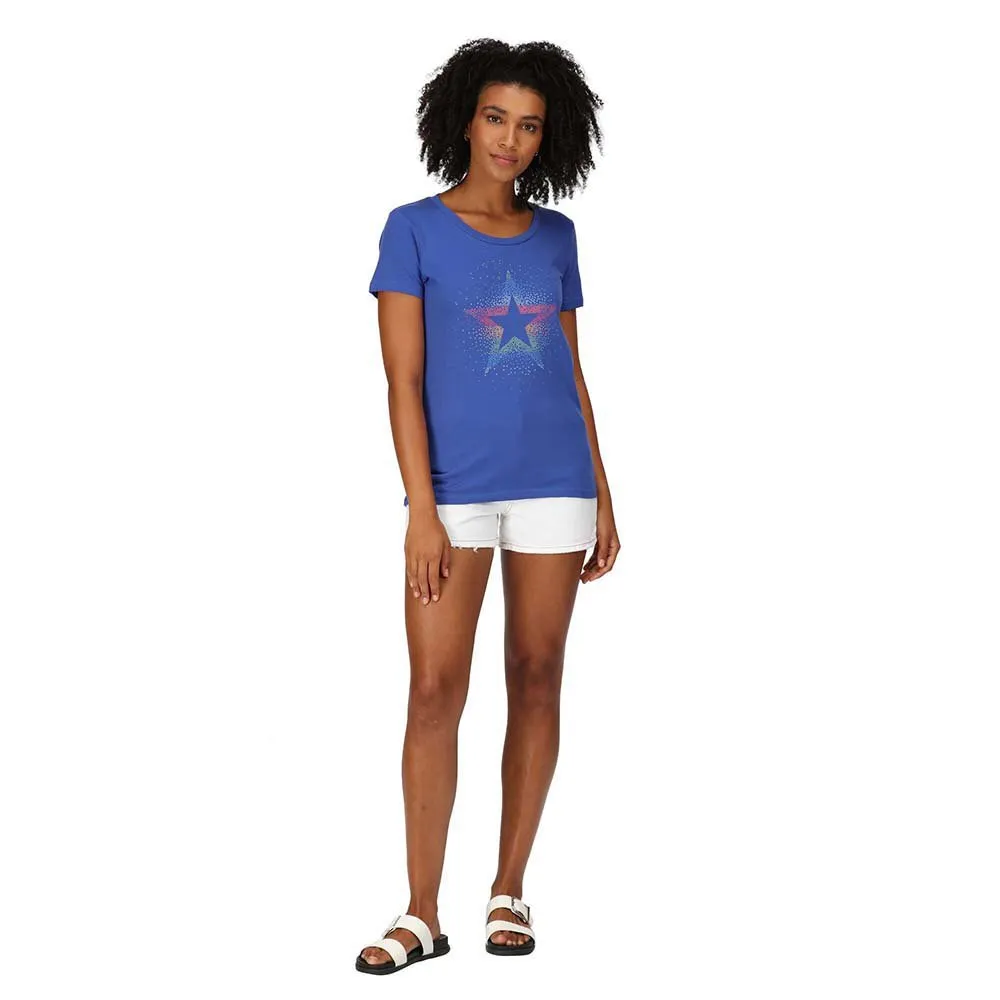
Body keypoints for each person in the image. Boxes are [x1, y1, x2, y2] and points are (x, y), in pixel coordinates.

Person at [356, 38, 621, 975]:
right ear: (464, 120)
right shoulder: (412, 230)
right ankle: (421, 911)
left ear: (551, 138)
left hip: (557, 482)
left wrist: (605, 494)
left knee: (538, 676)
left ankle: (509, 888)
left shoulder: (557, 237)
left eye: (530, 126)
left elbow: (571, 373)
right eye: (497, 118)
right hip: (454, 495)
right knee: (435, 689)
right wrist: (421, 511)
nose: (510, 139)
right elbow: (402, 382)